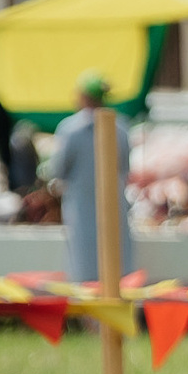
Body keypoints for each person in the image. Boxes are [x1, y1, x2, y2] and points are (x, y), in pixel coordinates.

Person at [50, 71, 134, 288]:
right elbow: (125, 168)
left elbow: (58, 170)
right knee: (116, 254)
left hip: (80, 204)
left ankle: (87, 313)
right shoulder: (121, 127)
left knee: (83, 258)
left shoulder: (70, 130)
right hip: (114, 202)